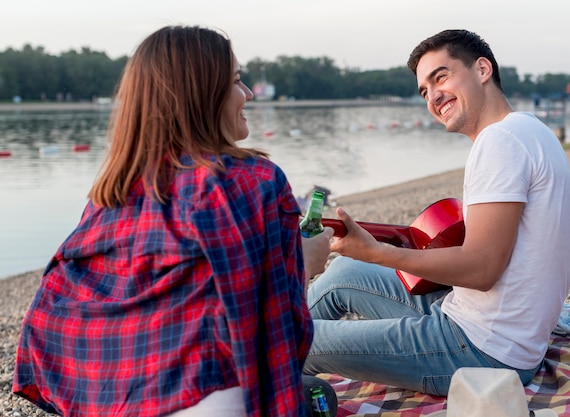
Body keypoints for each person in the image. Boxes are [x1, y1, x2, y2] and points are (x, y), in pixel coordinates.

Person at [12, 25, 333, 417]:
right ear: (203, 94)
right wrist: (304, 262)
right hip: (213, 398)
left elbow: (55, 306)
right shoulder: (252, 182)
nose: (248, 93)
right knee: (317, 395)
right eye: (235, 81)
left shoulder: (110, 195)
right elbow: (276, 327)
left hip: (108, 399)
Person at [303, 29, 570, 396]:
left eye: (441, 76)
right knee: (344, 273)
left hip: (485, 350)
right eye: (424, 90)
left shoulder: (499, 142)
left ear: (482, 69)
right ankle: (266, 333)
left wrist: (379, 253)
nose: (433, 96)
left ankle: (244, 366)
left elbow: (482, 269)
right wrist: (373, 255)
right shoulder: (528, 129)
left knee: (296, 339)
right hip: (488, 322)